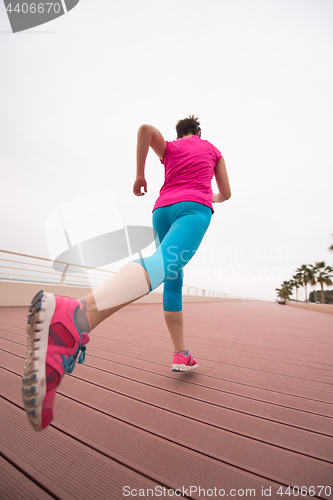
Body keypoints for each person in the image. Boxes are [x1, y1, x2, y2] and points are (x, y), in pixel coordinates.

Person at [22, 115, 231, 431]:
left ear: (179, 133)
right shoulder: (212, 150)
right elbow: (226, 193)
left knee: (171, 276)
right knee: (164, 265)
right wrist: (209, 196)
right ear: (199, 132)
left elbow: (146, 130)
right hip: (193, 207)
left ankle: (180, 353)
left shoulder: (171, 148)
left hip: (162, 209)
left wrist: (139, 176)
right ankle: (76, 314)